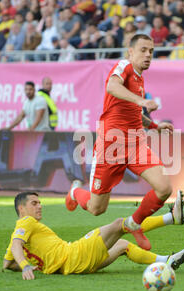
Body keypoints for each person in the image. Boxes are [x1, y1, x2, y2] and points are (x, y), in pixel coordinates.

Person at [65, 34, 177, 251]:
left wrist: (154, 126)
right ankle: (75, 192)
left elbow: (133, 111)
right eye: (143, 50)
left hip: (136, 144)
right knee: (97, 208)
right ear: (131, 51)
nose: (148, 55)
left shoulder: (139, 78)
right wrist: (142, 101)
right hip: (110, 146)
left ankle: (134, 223)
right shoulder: (123, 66)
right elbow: (112, 87)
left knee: (164, 188)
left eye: (151, 51)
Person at [2, 192, 184, 279]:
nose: (39, 206)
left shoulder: (18, 234)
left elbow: (8, 264)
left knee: (122, 245)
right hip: (75, 254)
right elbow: (18, 245)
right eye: (34, 203)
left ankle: (166, 261)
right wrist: (26, 266)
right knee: (119, 224)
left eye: (39, 202)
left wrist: (41, 267)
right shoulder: (26, 222)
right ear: (21, 208)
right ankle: (171, 218)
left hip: (74, 266)